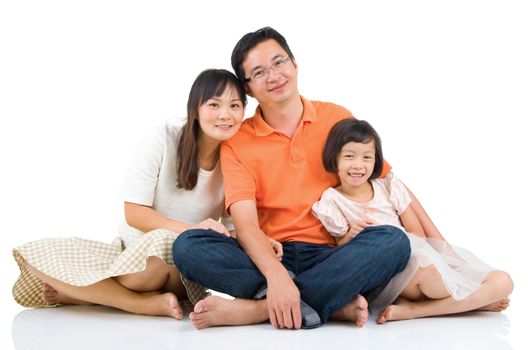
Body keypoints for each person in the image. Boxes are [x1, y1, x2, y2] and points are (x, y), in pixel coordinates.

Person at [173, 27, 421, 330]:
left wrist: (439, 246)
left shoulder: (336, 117)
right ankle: (324, 301)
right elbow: (247, 225)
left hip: (333, 254)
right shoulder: (239, 140)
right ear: (248, 88)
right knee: (188, 246)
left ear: (295, 64)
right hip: (267, 256)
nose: (274, 75)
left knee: (393, 241)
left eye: (279, 63)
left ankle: (259, 310)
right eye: (259, 72)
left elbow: (389, 181)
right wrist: (276, 276)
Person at [12, 68, 268, 318]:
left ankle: (90, 294)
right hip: (134, 258)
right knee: (35, 256)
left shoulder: (236, 159)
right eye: (214, 104)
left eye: (235, 106)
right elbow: (133, 213)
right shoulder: (162, 139)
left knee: (168, 246)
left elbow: (231, 229)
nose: (225, 115)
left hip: (183, 263)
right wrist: (189, 229)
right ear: (195, 109)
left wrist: (261, 240)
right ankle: (136, 303)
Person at [312, 118, 514, 323]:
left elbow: (417, 235)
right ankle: (472, 301)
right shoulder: (332, 201)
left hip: (418, 256)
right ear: (334, 158)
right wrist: (349, 236)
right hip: (390, 275)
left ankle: (418, 309)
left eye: (367, 157)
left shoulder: (388, 186)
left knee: (504, 281)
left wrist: (443, 259)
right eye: (349, 156)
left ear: (376, 161)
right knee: (431, 273)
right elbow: (342, 255)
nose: (358, 165)